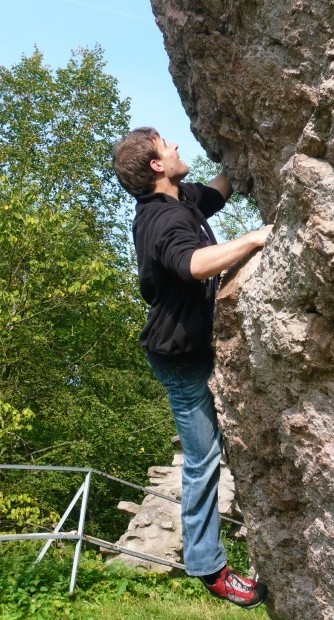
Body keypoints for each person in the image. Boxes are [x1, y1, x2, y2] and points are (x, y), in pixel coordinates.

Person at [112, 127, 272, 608]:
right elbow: (195, 264)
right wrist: (254, 238)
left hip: (193, 347)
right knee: (202, 461)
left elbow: (217, 192)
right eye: (168, 145)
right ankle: (209, 567)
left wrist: (242, 159)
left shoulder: (182, 198)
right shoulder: (159, 221)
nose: (178, 146)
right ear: (157, 166)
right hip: (179, 360)